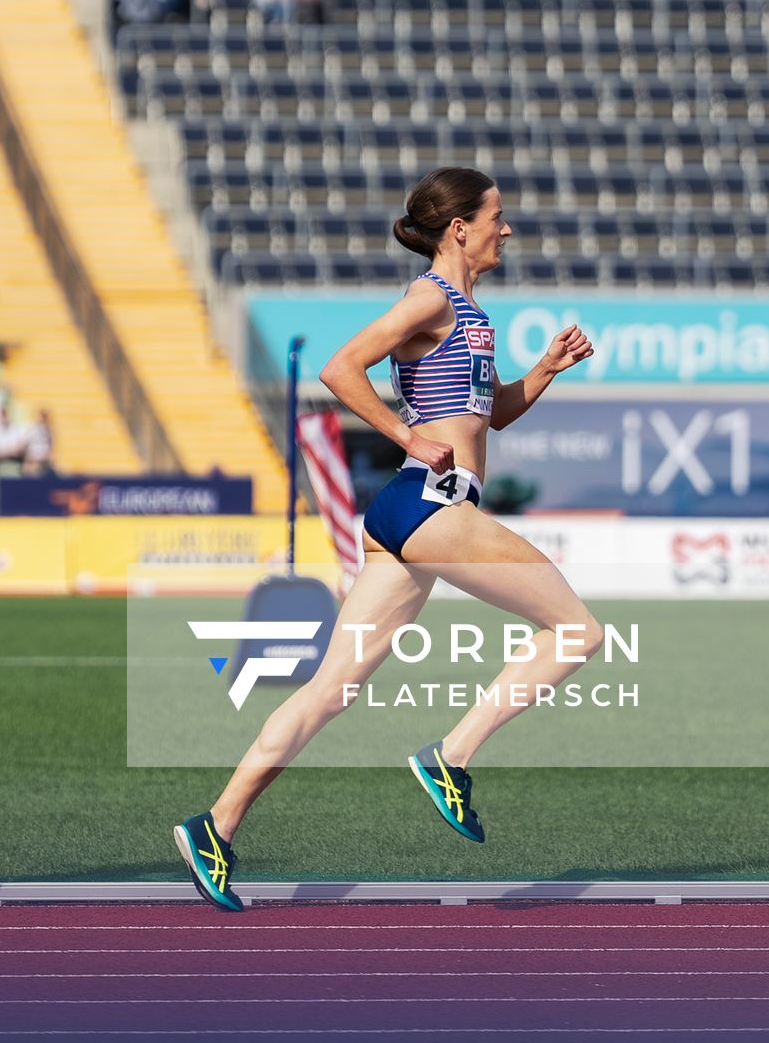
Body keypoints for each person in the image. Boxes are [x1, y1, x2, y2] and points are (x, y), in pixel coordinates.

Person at [172, 167, 601, 911]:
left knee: (329, 690)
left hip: (409, 513)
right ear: (458, 228)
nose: (508, 229)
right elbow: (343, 369)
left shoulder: (467, 309)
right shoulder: (432, 296)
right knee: (577, 630)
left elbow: (486, 417)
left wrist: (544, 372)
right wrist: (405, 433)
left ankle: (215, 825)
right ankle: (452, 756)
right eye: (497, 216)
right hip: (432, 502)